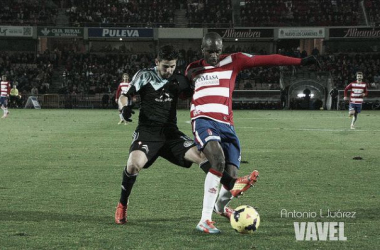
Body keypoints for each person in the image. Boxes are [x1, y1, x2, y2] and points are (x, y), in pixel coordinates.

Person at [185, 32, 319, 234]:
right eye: (209, 51)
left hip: (226, 125)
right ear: (202, 49)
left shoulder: (234, 60)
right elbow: (183, 90)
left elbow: (268, 60)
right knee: (217, 161)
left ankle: (220, 208)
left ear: (222, 49)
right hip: (203, 120)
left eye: (217, 51)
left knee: (231, 179)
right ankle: (204, 220)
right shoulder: (192, 69)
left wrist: (300, 61)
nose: (214, 55)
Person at [114, 45, 258, 226]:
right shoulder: (144, 75)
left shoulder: (179, 80)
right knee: (134, 165)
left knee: (202, 156)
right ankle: (122, 204)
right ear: (157, 62)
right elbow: (124, 96)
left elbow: (197, 91)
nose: (169, 70)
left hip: (171, 133)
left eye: (172, 66)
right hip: (148, 132)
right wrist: (124, 108)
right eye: (165, 66)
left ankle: (230, 185)